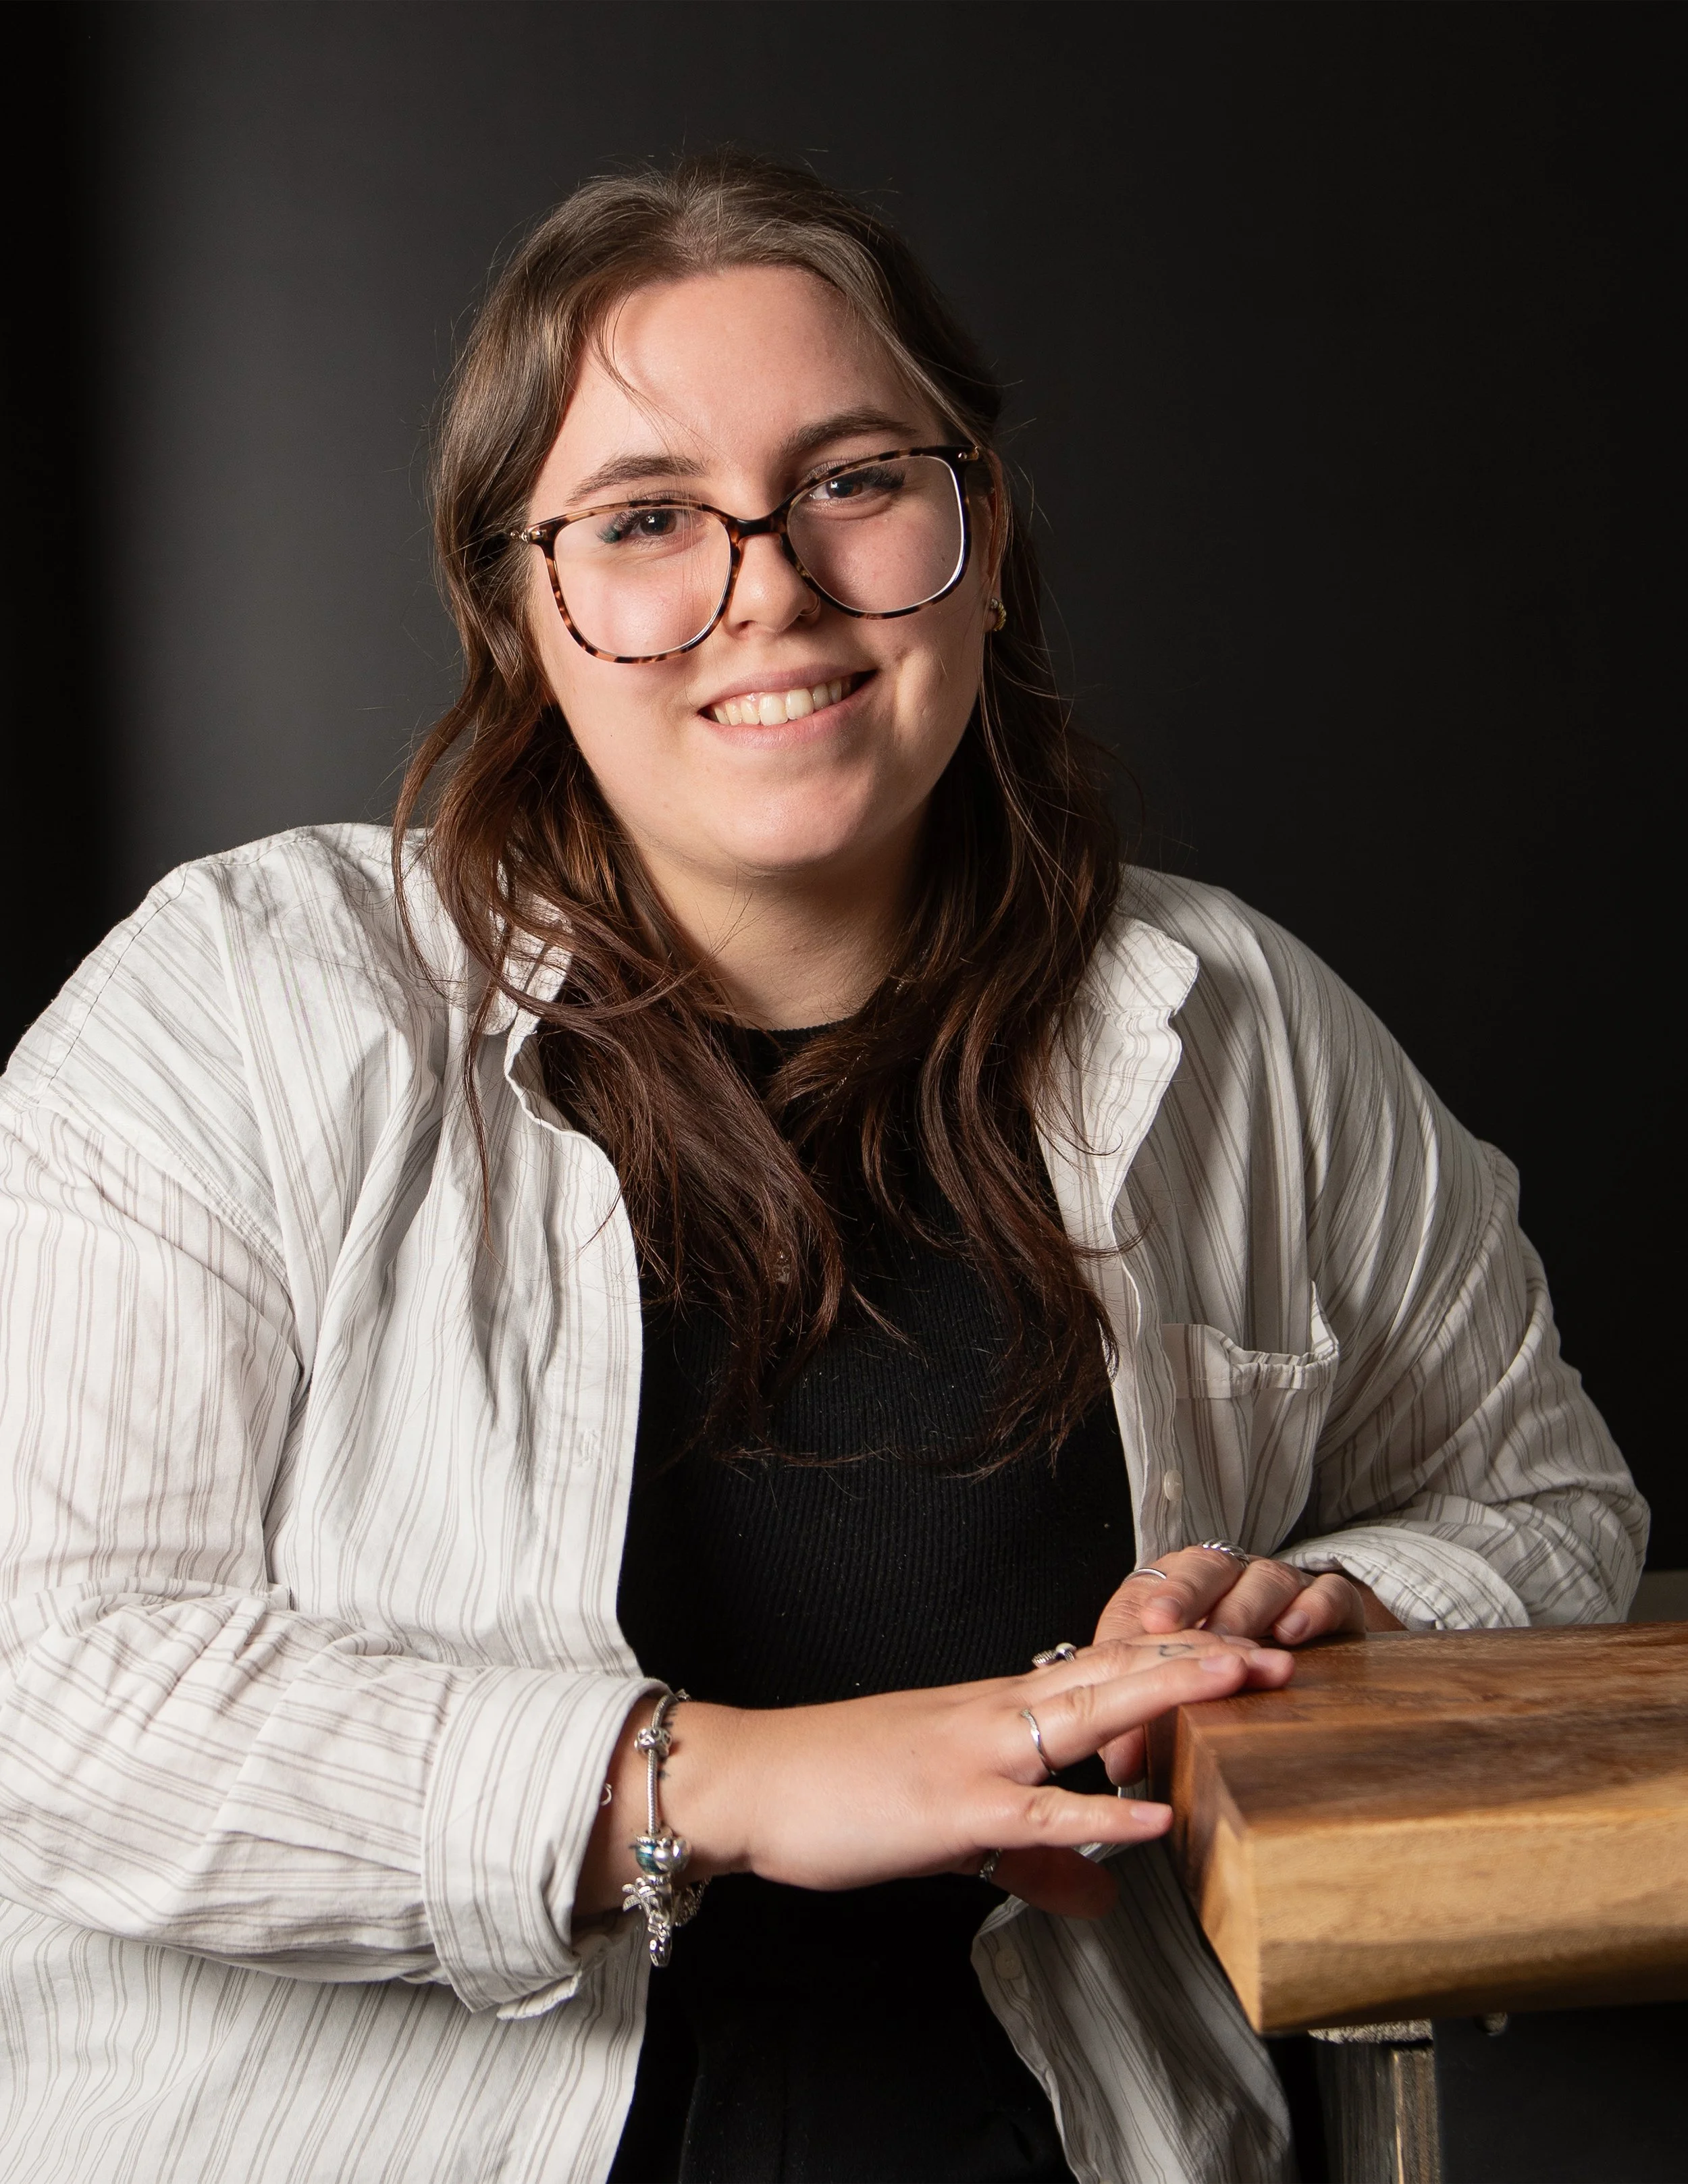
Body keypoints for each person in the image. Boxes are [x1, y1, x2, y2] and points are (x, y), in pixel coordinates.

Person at [0, 152, 1643, 2184]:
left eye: (854, 479)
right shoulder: (232, 1008)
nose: (765, 586)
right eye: (643, 519)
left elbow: (1547, 1500)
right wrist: (736, 1785)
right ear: (519, 607)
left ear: (987, 536)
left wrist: (1332, 1613)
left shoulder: (1250, 1026)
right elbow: (60, 1707)